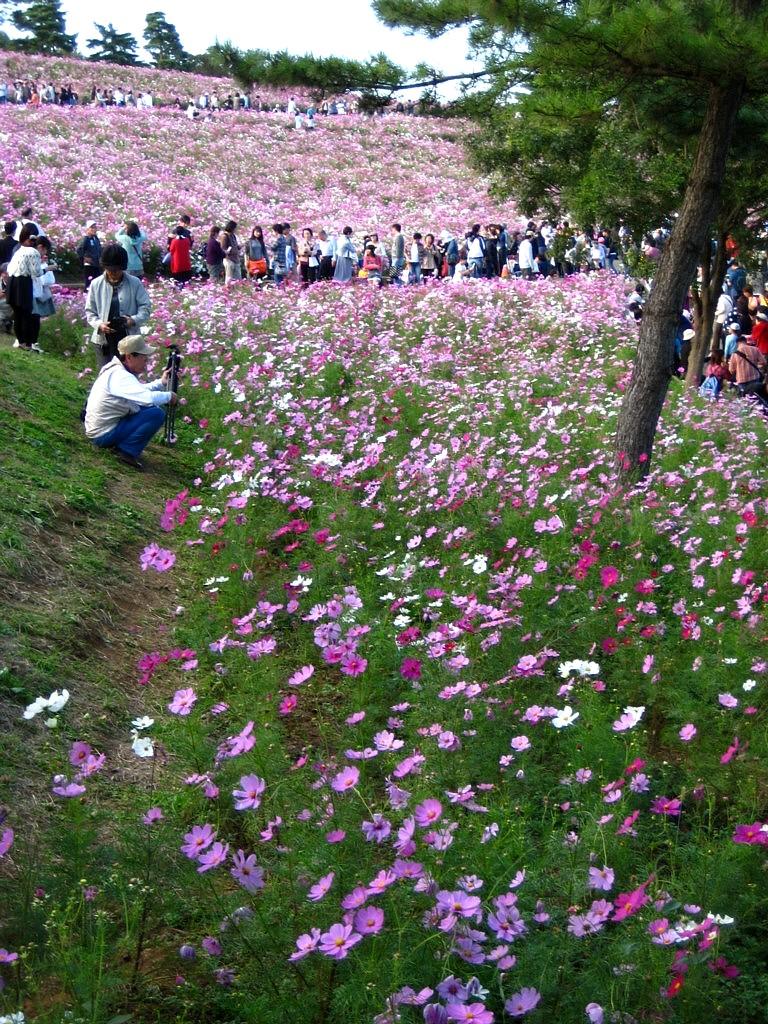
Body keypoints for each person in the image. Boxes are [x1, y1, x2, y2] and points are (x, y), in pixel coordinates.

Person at [84, 335, 178, 470]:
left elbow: (139, 391)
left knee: (148, 409)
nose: (146, 361)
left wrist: (161, 383)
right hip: (102, 434)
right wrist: (169, 396)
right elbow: (147, 398)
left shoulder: (116, 370)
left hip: (98, 428)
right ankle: (127, 451)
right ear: (129, 357)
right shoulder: (121, 376)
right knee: (156, 414)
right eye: (143, 358)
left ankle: (124, 446)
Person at [85, 244, 152, 368]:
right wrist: (99, 325)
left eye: (117, 270)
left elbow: (145, 307)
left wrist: (133, 320)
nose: (113, 273)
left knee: (129, 374)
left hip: (129, 341)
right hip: (104, 341)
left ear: (123, 268)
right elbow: (90, 311)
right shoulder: (96, 284)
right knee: (106, 374)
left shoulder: (135, 283)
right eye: (109, 270)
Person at [6, 223, 43, 350]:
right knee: (26, 314)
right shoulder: (33, 252)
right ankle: (27, 343)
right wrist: (46, 269)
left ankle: (21, 342)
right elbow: (36, 272)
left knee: (18, 314)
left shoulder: (18, 249)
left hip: (12, 282)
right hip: (23, 283)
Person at [728, 332, 767, 398]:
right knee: (755, 397)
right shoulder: (755, 349)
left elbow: (731, 370)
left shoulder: (734, 354)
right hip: (754, 377)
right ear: (745, 341)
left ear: (737, 343)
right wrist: (757, 366)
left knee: (744, 398)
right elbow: (763, 362)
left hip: (741, 379)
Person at [77, 220, 102, 290]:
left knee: (97, 281)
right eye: (92, 228)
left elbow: (99, 249)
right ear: (88, 229)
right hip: (89, 265)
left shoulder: (96, 238)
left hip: (96, 263)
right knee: (89, 283)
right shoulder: (86, 239)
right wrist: (85, 258)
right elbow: (79, 250)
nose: (94, 229)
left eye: (95, 227)